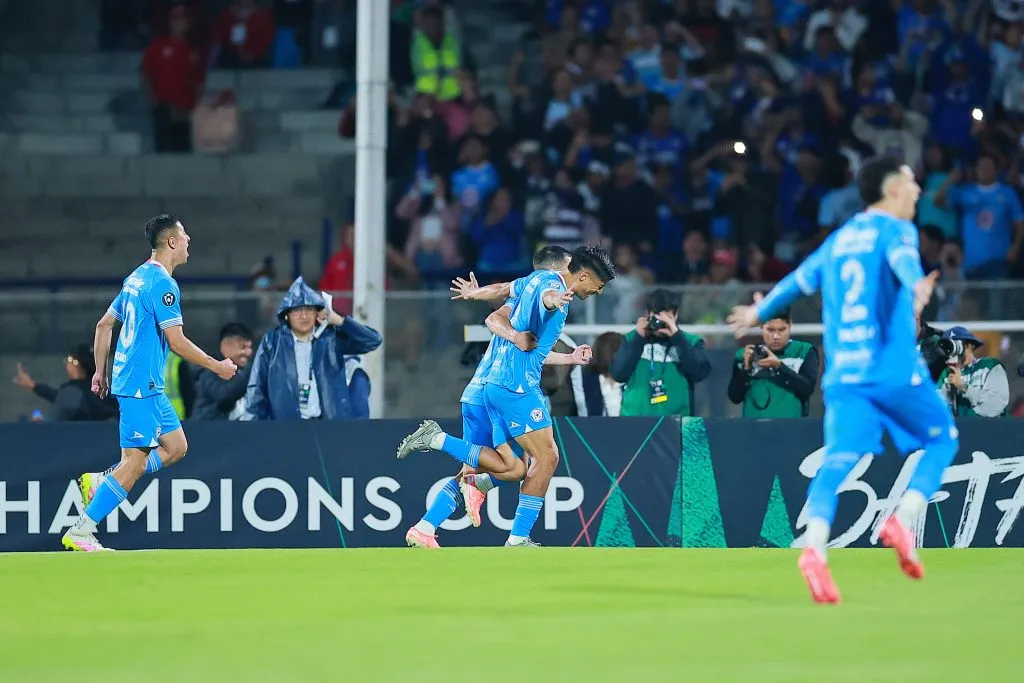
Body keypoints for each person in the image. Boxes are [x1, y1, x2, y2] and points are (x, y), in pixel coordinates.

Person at [728, 156, 957, 604]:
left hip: (845, 373)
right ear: (891, 190)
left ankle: (813, 549)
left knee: (837, 459)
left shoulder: (840, 240)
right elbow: (904, 261)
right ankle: (903, 518)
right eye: (911, 184)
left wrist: (757, 312)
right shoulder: (896, 231)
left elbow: (798, 280)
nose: (918, 191)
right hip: (890, 368)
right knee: (942, 438)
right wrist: (918, 287)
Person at [397, 246, 616, 546]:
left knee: (502, 468)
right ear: (574, 269)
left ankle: (425, 526)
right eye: (599, 286)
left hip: (488, 386)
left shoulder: (526, 285)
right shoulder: (552, 288)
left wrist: (568, 358)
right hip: (513, 387)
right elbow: (546, 301)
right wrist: (552, 303)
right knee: (544, 458)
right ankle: (516, 537)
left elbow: (502, 302)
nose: (599, 292)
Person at [62, 214, 238, 552]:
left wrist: (100, 371)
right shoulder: (162, 285)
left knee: (176, 448)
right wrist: (217, 366)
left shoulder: (135, 278)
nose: (189, 240)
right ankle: (82, 530)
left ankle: (103, 480)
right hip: (139, 385)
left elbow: (103, 326)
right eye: (185, 235)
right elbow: (176, 341)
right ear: (172, 242)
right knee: (136, 462)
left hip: (146, 385)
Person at [246, 277, 382, 420]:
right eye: (297, 310)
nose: (304, 316)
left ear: (317, 313)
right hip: (286, 428)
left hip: (327, 425)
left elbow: (373, 341)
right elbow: (257, 387)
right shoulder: (273, 341)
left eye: (309, 310)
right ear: (287, 314)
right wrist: (253, 429)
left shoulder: (330, 338)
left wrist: (339, 320)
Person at [609, 288, 712, 417]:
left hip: (677, 421)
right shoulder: (632, 339)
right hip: (634, 421)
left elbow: (699, 373)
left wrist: (677, 337)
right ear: (648, 314)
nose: (661, 324)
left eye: (667, 318)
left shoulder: (690, 342)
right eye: (657, 318)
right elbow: (618, 374)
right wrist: (638, 338)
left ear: (676, 315)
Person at [727, 310, 819, 418]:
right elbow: (735, 397)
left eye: (781, 330)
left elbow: (808, 389)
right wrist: (745, 369)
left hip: (792, 429)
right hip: (754, 429)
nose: (776, 336)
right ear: (761, 327)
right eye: (770, 330)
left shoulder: (804, 351)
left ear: (790, 325)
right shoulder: (745, 355)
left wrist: (779, 367)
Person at [11, 345, 118, 421]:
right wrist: (32, 385)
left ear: (75, 364)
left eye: (68, 361)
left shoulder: (72, 392)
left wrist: (43, 425)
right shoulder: (102, 391)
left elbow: (63, 404)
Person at [936, 326, 1009, 418]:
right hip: (962, 430)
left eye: (955, 344)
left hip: (993, 429)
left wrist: (964, 387)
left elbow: (996, 406)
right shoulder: (946, 374)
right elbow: (937, 409)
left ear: (969, 345)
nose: (951, 350)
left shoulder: (990, 365)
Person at [191, 323, 255, 420]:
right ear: (225, 345)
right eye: (243, 347)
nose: (248, 352)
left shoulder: (242, 372)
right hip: (208, 431)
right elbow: (223, 395)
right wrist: (252, 371)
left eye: (249, 347)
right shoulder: (209, 369)